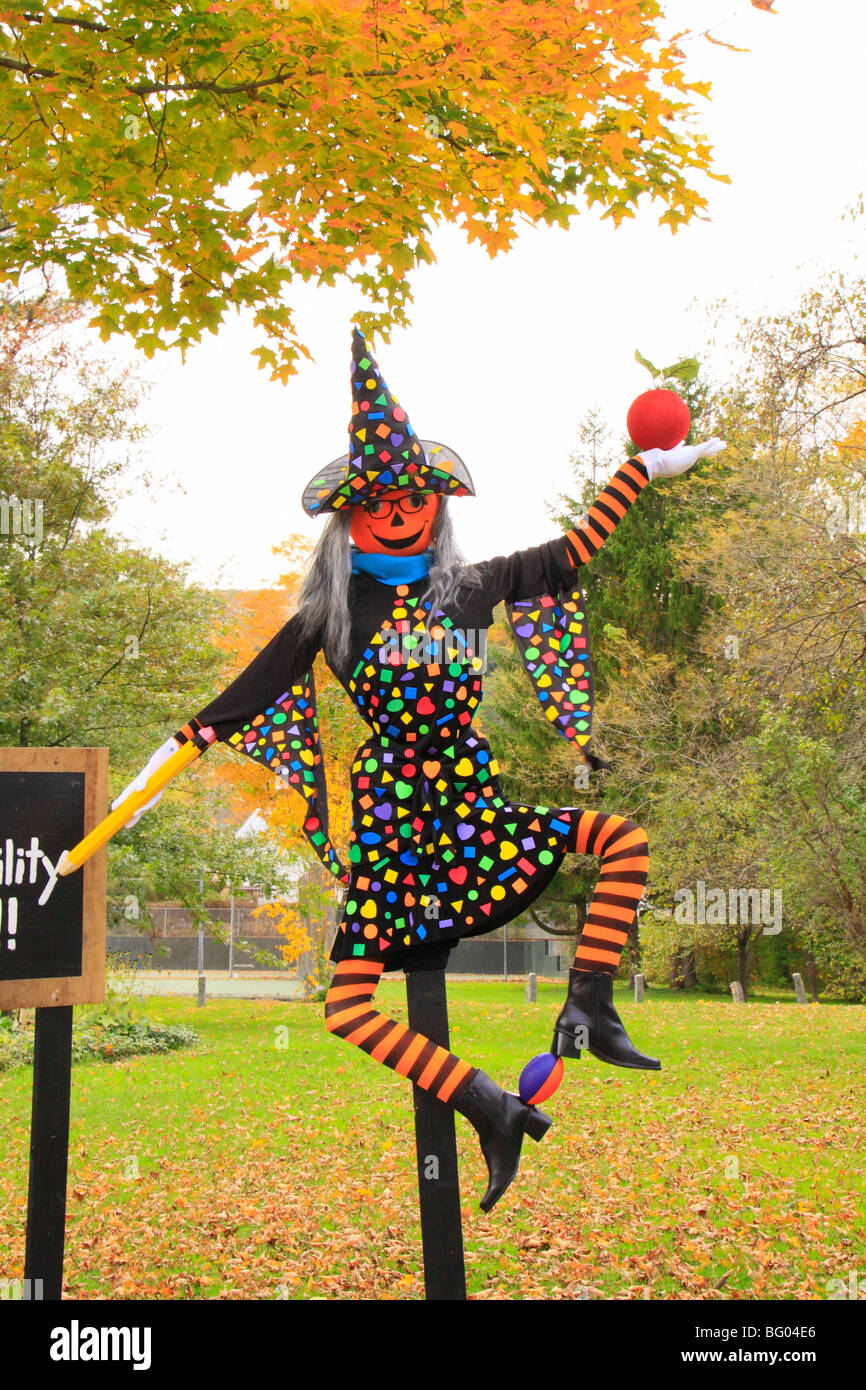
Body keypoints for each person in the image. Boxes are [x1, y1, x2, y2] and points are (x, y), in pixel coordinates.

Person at [116, 329, 724, 1211]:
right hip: (396, 817)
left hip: (471, 804)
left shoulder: (468, 588)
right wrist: (170, 755)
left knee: (619, 842)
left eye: (415, 498)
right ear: (349, 518)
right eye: (380, 501)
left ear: (437, 507)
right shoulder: (328, 615)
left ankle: (588, 1007)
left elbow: (572, 550)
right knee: (351, 1005)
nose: (400, 511)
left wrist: (642, 470)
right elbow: (237, 700)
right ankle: (487, 1104)